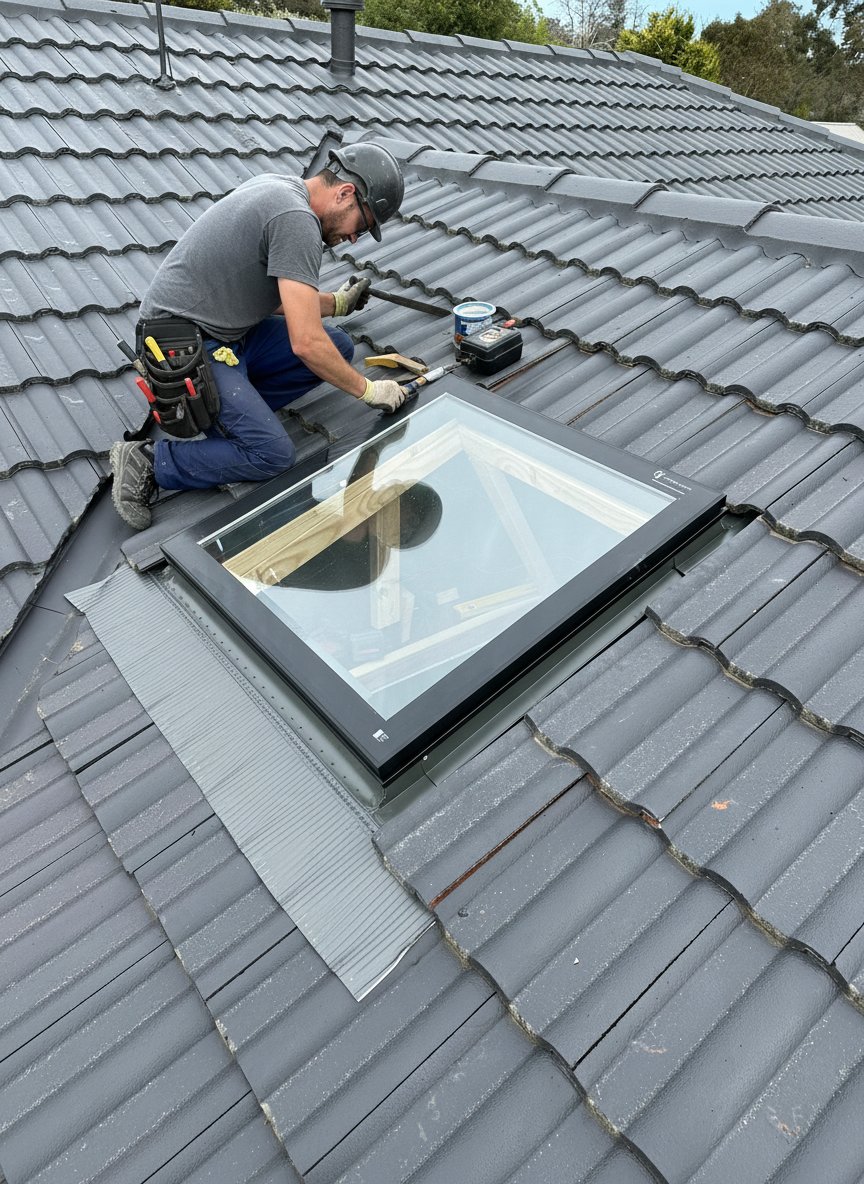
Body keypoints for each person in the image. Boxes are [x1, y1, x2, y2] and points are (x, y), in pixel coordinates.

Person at [109, 142, 407, 530]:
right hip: (182, 344)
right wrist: (369, 391)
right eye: (361, 226)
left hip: (227, 331)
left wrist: (337, 303)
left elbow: (278, 298)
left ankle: (233, 409)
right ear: (345, 193)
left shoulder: (283, 188)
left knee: (340, 347)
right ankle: (150, 460)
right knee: (272, 454)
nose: (353, 239)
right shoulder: (296, 219)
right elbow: (304, 341)